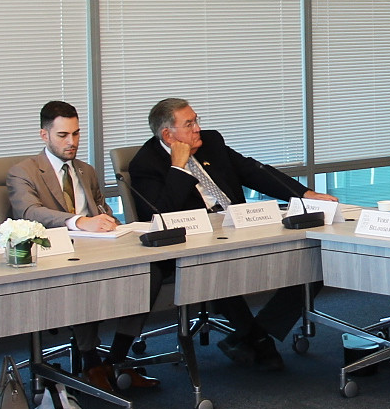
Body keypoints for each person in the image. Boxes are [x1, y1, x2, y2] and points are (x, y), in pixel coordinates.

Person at [126, 98, 335, 371]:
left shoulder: (211, 142)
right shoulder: (145, 163)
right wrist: (178, 167)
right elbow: (161, 215)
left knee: (312, 254)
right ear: (168, 134)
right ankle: (259, 341)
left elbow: (253, 171)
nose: (198, 128)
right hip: (193, 243)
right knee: (215, 264)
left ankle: (255, 332)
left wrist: (304, 194)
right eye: (189, 124)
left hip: (238, 225)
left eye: (196, 120)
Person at [6, 100, 156, 392]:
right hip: (56, 254)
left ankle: (116, 358)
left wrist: (107, 221)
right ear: (44, 135)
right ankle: (90, 361)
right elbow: (29, 212)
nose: (71, 142)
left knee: (149, 272)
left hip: (98, 248)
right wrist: (79, 221)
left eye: (76, 133)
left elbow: (101, 209)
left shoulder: (86, 170)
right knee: (86, 277)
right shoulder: (22, 172)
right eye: (63, 135)